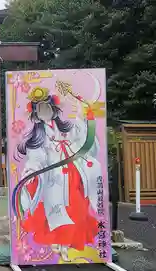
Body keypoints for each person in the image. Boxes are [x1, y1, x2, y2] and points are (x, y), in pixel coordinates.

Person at [16, 86, 101, 261]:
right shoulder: (38, 136)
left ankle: (66, 245)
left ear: (53, 109)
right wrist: (32, 168)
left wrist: (85, 120)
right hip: (53, 179)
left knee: (77, 208)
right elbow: (36, 157)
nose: (45, 112)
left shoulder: (66, 127)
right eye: (40, 109)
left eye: (47, 108)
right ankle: (59, 244)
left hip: (73, 173)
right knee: (56, 211)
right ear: (36, 114)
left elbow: (81, 142)